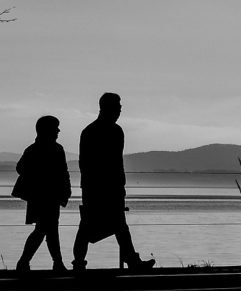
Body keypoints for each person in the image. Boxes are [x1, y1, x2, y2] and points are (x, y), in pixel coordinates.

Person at [71, 92, 155, 271]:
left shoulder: (96, 131)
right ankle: (129, 260)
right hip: (100, 187)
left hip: (103, 186)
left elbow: (111, 162)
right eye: (117, 107)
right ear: (108, 108)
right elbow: (93, 163)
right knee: (96, 225)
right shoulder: (105, 131)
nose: (120, 110)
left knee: (106, 225)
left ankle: (81, 262)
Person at [14, 115, 72, 272]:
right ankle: (50, 263)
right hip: (45, 196)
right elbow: (63, 172)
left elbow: (20, 168)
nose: (58, 130)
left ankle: (47, 262)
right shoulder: (54, 149)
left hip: (43, 196)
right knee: (46, 229)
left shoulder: (35, 149)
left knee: (47, 229)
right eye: (56, 128)